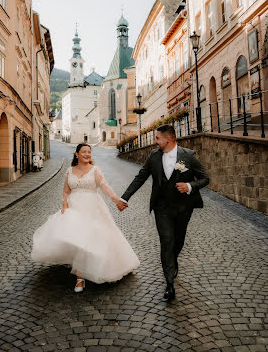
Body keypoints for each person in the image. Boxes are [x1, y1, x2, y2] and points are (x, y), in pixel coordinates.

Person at [117, 125, 209, 301]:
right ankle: (169, 284)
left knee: (178, 241)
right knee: (167, 242)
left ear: (168, 139)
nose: (155, 141)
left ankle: (172, 262)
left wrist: (190, 186)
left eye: (157, 138)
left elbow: (205, 178)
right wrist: (125, 198)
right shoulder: (154, 156)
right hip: (162, 208)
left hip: (183, 207)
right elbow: (140, 177)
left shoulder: (188, 156)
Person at [31, 143, 140, 292]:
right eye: (84, 152)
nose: (87, 154)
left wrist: (116, 201)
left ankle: (84, 274)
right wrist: (64, 205)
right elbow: (66, 191)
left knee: (91, 239)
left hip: (92, 207)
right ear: (77, 154)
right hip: (74, 207)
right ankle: (80, 276)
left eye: (89, 152)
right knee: (77, 239)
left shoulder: (95, 170)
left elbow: (105, 187)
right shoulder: (69, 171)